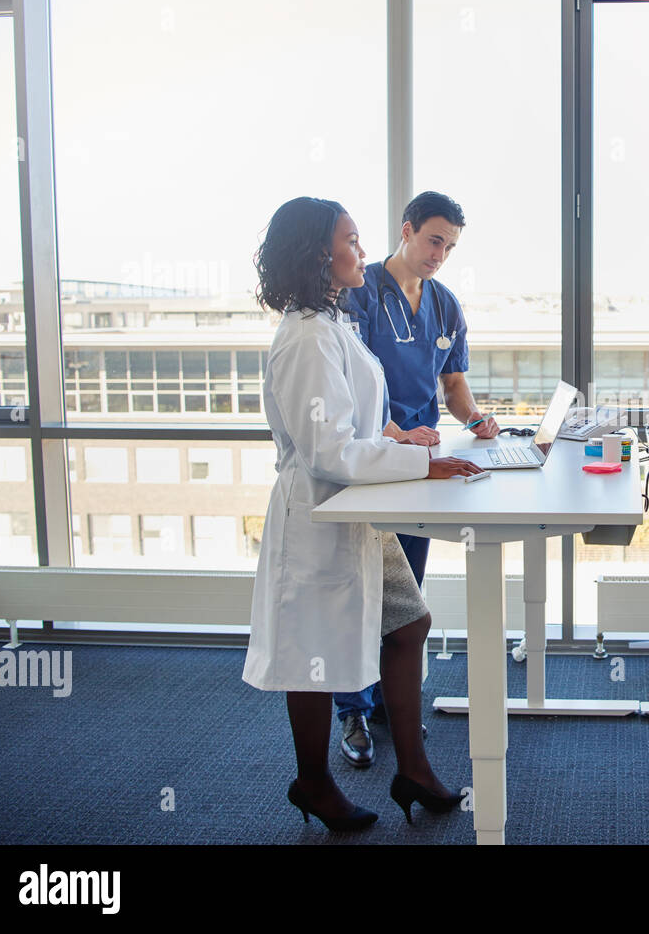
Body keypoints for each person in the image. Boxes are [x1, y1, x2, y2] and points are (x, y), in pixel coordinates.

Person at [242, 196, 482, 830]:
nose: (360, 250)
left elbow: (354, 423)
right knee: (313, 656)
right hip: (321, 515)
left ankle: (412, 768)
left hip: (359, 512)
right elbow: (327, 450)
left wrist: (399, 440)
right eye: (349, 240)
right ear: (321, 253)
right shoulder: (304, 337)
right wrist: (419, 463)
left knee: (408, 625)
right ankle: (315, 784)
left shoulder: (334, 326)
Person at [332, 191, 499, 768]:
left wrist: (476, 420)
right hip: (370, 463)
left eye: (450, 246)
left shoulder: (445, 303)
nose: (440, 255)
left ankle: (388, 703)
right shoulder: (361, 294)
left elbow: (451, 387)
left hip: (417, 469)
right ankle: (350, 708)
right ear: (406, 230)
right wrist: (394, 435)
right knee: (359, 591)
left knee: (404, 590)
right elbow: (350, 386)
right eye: (433, 240)